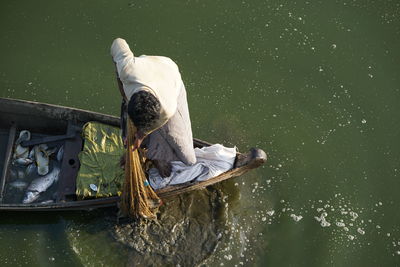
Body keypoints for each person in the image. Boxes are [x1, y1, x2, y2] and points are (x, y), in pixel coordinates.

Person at [111, 38, 196, 177]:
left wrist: (141, 135)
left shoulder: (167, 108)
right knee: (128, 127)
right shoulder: (127, 69)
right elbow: (118, 43)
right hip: (147, 67)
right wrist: (118, 74)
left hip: (170, 74)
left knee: (187, 157)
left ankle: (158, 157)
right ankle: (134, 152)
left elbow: (155, 124)